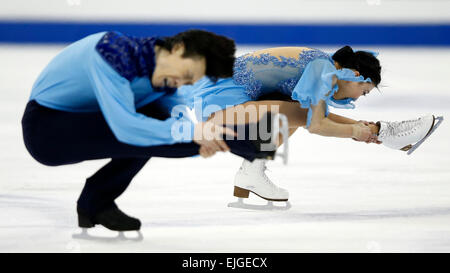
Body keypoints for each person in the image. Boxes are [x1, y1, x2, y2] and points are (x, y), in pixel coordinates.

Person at [21, 30, 282, 232]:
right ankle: (242, 140)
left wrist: (208, 139)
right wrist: (211, 136)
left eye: (190, 82)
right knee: (151, 127)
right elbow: (128, 129)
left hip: (86, 121)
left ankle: (95, 204)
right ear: (177, 48)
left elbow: (179, 129)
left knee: (160, 120)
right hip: (46, 130)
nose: (182, 83)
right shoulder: (111, 53)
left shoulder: (162, 78)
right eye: (188, 73)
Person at [176, 45, 442, 206]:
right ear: (357, 76)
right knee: (302, 114)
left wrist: (364, 130)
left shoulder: (322, 66)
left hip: (217, 102)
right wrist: (359, 131)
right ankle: (388, 133)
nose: (358, 98)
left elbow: (313, 117)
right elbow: (315, 124)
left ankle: (251, 172)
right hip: (216, 109)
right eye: (365, 91)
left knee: (297, 111)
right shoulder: (323, 71)